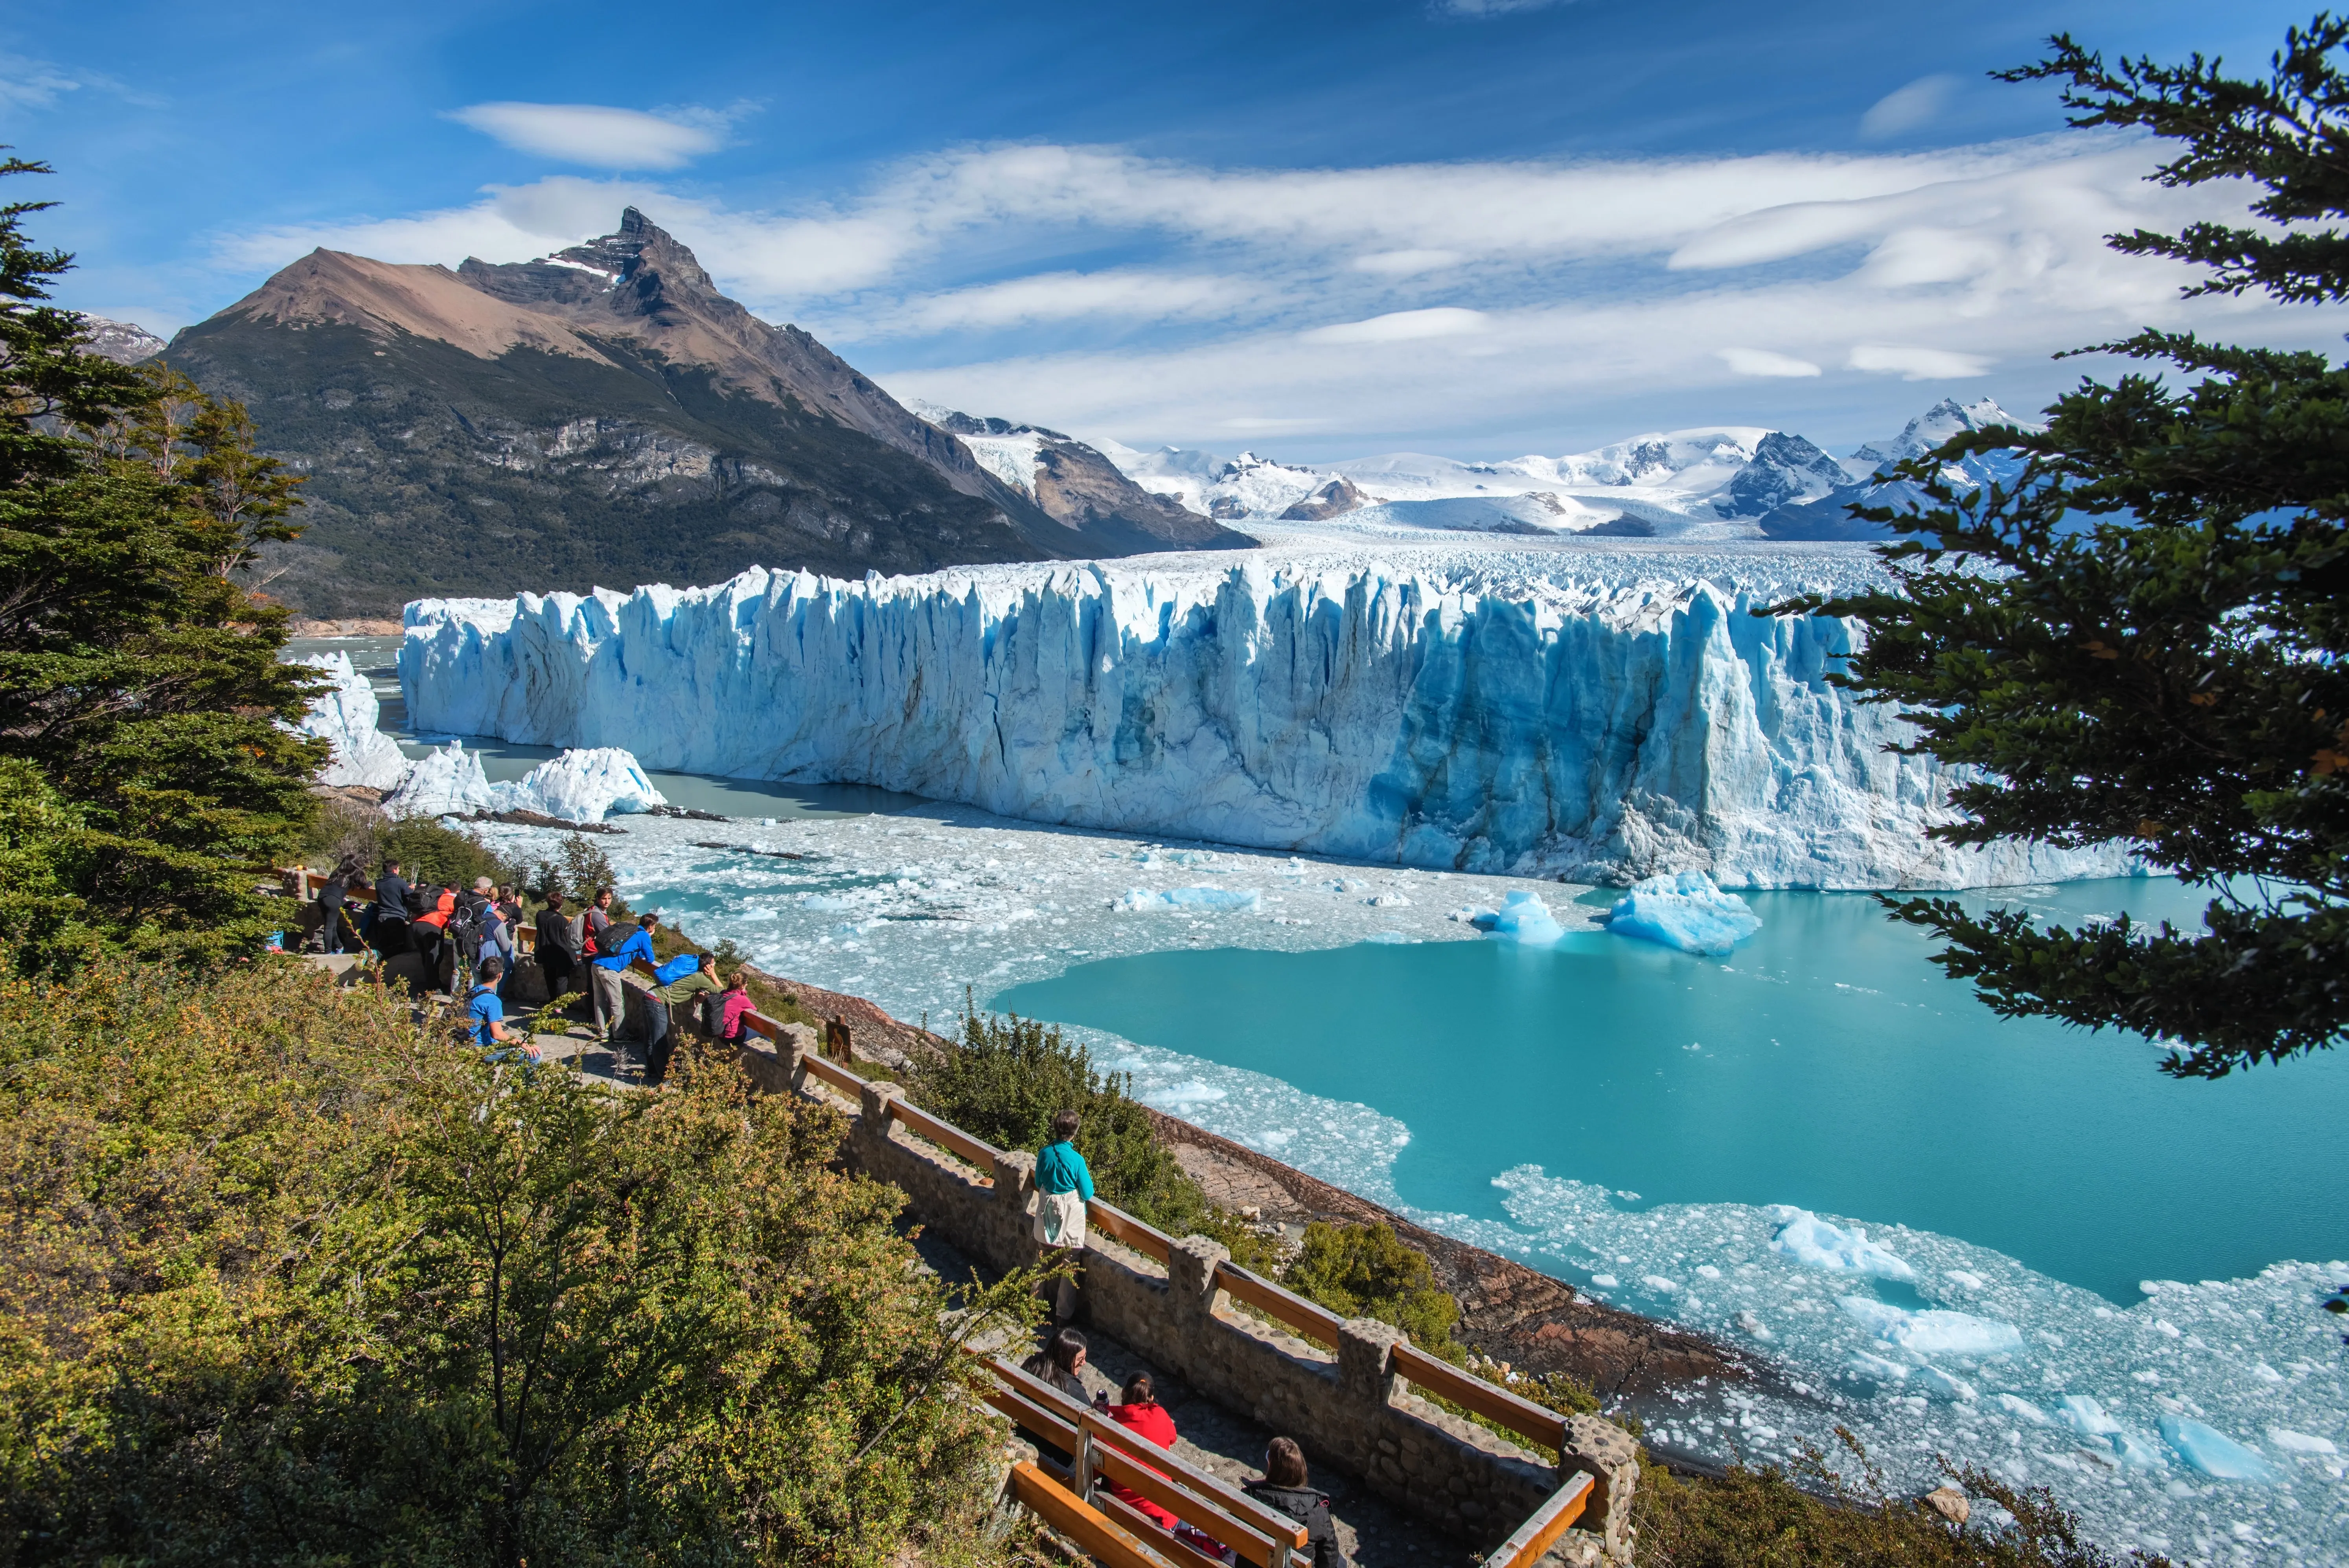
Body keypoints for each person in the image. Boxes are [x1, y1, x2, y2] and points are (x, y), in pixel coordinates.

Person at [1243, 1439, 1348, 1568]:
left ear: (1272, 1469)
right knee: (1340, 1562)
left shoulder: (1249, 1496)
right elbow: (1330, 1557)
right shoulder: (1317, 1510)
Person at [1034, 1108, 1093, 1321]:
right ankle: (1063, 1316)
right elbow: (1088, 1192)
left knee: (1041, 1258)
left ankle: (1034, 1306)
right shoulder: (1077, 1160)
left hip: (1047, 1214)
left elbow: (1038, 1182)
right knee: (1070, 1264)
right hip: (1071, 1219)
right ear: (1075, 1132)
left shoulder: (1044, 1153)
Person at [1104, 1372, 1181, 1529]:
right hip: (1164, 1519)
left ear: (1123, 1393)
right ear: (1151, 1398)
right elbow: (1173, 1438)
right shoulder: (1160, 1415)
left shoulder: (1107, 1430)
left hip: (1124, 1514)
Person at [590, 912, 660, 1068]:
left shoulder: (631, 931)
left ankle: (603, 1033)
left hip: (596, 964)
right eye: (654, 926)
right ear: (650, 926)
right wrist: (649, 937)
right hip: (610, 969)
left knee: (599, 1001)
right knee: (617, 1002)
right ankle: (620, 1035)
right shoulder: (643, 936)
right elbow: (650, 959)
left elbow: (635, 950)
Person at [650, 952, 722, 1086]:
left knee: (652, 1037)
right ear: (708, 966)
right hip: (657, 1002)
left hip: (651, 996)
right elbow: (721, 992)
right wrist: (713, 975)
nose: (714, 967)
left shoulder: (690, 972)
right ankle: (664, 1077)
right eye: (713, 965)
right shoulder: (698, 977)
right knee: (659, 1040)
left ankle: (651, 1070)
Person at [465, 958, 539, 1061]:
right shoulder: (492, 1000)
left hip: (465, 1045)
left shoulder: (473, 991)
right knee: (534, 1055)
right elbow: (498, 1034)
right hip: (481, 1050)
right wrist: (523, 1044)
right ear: (500, 976)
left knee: (518, 1047)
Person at [584, 888, 620, 1038]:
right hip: (593, 953)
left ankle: (596, 1021)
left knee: (594, 990)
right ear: (598, 899)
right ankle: (599, 1023)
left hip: (588, 952)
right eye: (604, 899)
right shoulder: (598, 916)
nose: (607, 902)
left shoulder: (591, 911)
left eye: (610, 899)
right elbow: (607, 938)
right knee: (598, 993)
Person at [534, 890, 579, 1009]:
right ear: (561, 904)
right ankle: (559, 1006)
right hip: (560, 953)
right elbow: (567, 938)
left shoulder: (540, 915)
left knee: (549, 977)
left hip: (544, 951)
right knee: (561, 980)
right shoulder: (562, 921)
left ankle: (552, 1001)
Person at [316, 861, 355, 954]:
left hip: (322, 897)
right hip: (333, 900)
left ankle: (339, 946)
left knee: (332, 925)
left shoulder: (336, 873)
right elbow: (364, 885)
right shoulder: (351, 875)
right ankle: (328, 952)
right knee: (329, 926)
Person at [716, 970, 758, 1046]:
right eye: (746, 983)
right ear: (742, 986)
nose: (747, 984)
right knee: (764, 1033)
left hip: (720, 1034)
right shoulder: (742, 999)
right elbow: (754, 1011)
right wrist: (744, 993)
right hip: (733, 1038)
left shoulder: (723, 993)